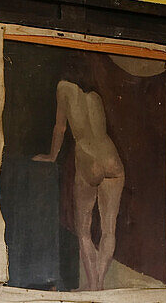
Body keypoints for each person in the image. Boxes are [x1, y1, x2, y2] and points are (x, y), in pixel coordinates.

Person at [33, 76, 125, 291]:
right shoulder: (95, 96)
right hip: (111, 156)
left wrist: (51, 156)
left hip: (88, 157)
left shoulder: (63, 88)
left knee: (83, 230)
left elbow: (60, 128)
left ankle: (92, 284)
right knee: (109, 229)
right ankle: (100, 284)